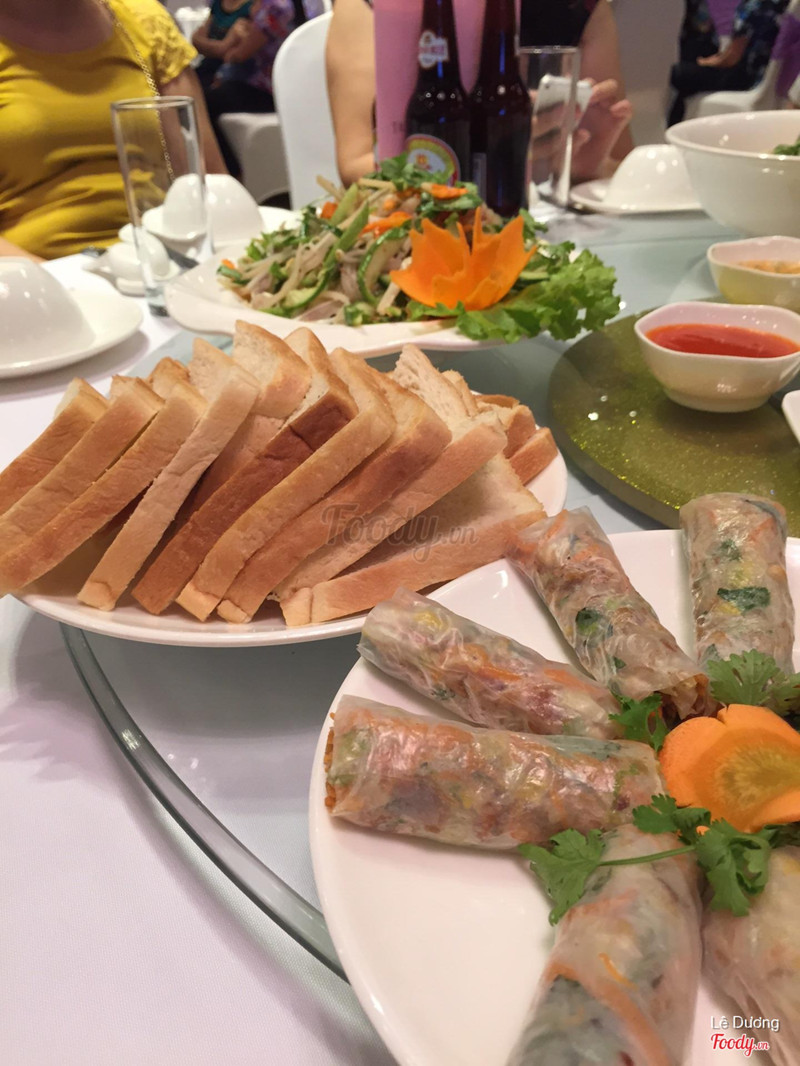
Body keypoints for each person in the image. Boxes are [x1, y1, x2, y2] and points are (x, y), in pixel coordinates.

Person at [0, 0, 227, 261]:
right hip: (30, 273)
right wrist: (57, 282)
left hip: (165, 260)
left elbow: (208, 184)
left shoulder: (145, 22)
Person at [325, 0, 633, 189]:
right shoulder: (365, 6)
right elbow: (356, 165)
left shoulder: (582, 10)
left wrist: (583, 166)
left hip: (545, 230)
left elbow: (620, 164)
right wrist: (478, 149)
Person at [200, 0, 324, 178]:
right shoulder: (296, 5)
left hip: (270, 90)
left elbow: (239, 55)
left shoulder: (275, 7)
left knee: (205, 102)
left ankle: (230, 173)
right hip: (290, 87)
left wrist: (224, 47)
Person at [668, 0, 790, 125]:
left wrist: (705, 62)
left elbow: (731, 58)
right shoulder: (784, 5)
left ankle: (674, 127)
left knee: (680, 74)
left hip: (746, 76)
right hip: (770, 78)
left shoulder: (753, 6)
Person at [192, 0, 255, 90]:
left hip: (232, 73)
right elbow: (196, 41)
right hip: (208, 65)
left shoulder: (250, 8)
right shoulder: (217, 4)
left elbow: (223, 50)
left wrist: (203, 44)